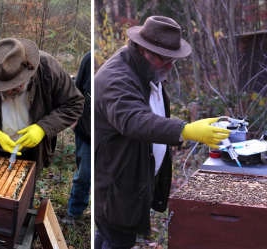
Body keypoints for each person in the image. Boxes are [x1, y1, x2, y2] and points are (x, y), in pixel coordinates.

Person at [94, 16, 230, 249]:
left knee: (110, 237)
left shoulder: (147, 70)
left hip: (134, 177)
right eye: (163, 59)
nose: (169, 65)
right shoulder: (115, 77)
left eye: (172, 60)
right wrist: (185, 130)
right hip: (116, 184)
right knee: (117, 238)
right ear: (142, 49)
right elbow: (134, 119)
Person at [0, 38, 84, 171]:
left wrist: (43, 128)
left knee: (26, 189)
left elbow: (74, 103)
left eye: (15, 85)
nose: (9, 90)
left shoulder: (48, 69)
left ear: (28, 72)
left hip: (34, 152)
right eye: (4, 87)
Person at [65, 52, 91, 224]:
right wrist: (74, 122)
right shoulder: (89, 59)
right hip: (85, 131)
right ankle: (74, 212)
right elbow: (77, 90)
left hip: (108, 133)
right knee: (84, 174)